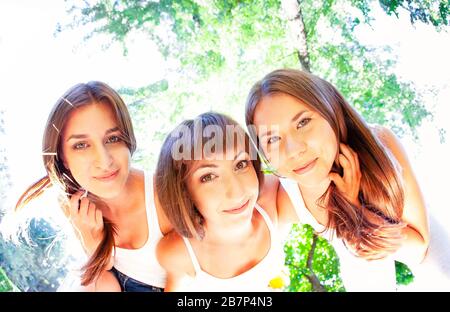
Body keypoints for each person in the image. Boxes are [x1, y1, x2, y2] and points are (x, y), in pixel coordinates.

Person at [244, 68, 430, 291]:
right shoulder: (288, 196)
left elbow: (418, 249)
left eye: (303, 123)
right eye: (273, 138)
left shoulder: (381, 146)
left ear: (330, 110)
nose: (294, 150)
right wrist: (353, 218)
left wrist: (357, 213)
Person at [16, 81, 171, 291]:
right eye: (81, 145)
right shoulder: (74, 203)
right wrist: (93, 240)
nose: (104, 161)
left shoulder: (164, 194)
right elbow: (102, 267)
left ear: (128, 140)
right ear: (62, 157)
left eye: (113, 138)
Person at [155, 112, 295, 291]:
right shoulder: (179, 254)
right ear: (184, 193)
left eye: (241, 164)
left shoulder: (273, 202)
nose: (236, 192)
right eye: (209, 177)